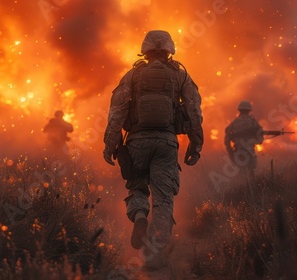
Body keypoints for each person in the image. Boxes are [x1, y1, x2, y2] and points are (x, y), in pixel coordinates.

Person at [103, 30, 203, 271]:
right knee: (163, 199)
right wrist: (195, 145)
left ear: (145, 50)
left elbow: (116, 113)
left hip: (136, 141)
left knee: (137, 186)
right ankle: (155, 254)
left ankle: (139, 216)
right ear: (170, 50)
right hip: (167, 143)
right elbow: (194, 112)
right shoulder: (180, 75)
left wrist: (109, 145)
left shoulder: (133, 75)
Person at [224, 100, 263, 178]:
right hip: (250, 152)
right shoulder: (253, 122)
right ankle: (251, 188)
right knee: (251, 173)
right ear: (249, 111)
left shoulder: (234, 123)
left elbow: (227, 138)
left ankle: (241, 188)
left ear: (239, 110)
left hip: (239, 152)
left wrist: (231, 153)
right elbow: (260, 137)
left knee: (240, 175)